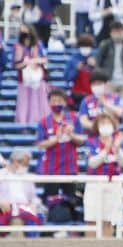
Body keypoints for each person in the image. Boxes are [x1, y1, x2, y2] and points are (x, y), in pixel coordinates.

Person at [35, 90, 84, 224]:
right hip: (51, 169)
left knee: (71, 200)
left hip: (70, 167)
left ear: (64, 101)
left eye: (59, 100)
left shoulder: (74, 119)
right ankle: (51, 228)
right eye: (53, 101)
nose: (56, 103)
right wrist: (55, 138)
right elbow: (40, 144)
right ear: (49, 103)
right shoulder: (44, 122)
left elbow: (81, 140)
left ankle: (71, 227)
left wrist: (71, 134)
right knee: (50, 200)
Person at [83, 114, 123, 238]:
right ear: (97, 126)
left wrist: (117, 149)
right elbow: (92, 163)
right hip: (94, 183)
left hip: (113, 184)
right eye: (102, 123)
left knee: (108, 220)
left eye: (108, 123)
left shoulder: (119, 141)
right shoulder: (91, 142)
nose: (105, 126)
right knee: (92, 218)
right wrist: (106, 150)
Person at [0, 148, 45, 236]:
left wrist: (34, 204)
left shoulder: (27, 177)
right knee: (17, 221)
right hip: (5, 210)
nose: (26, 167)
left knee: (38, 217)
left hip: (24, 209)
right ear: (15, 162)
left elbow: (33, 197)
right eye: (25, 164)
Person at [95, 20, 123, 124]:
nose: (118, 34)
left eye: (120, 31)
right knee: (109, 110)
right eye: (115, 31)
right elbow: (98, 62)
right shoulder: (105, 45)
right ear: (111, 33)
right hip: (109, 82)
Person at [13, 24, 50, 126]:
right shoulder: (17, 46)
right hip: (24, 80)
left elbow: (45, 59)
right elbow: (16, 65)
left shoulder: (38, 45)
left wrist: (34, 61)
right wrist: (26, 63)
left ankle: (41, 123)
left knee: (40, 102)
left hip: (38, 79)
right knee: (24, 103)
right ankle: (23, 124)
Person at [64, 34, 98, 107]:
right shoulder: (73, 59)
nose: (85, 48)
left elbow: (102, 77)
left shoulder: (95, 58)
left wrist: (95, 67)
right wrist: (77, 69)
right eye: (83, 46)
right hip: (78, 94)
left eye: (88, 46)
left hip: (93, 93)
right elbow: (67, 78)